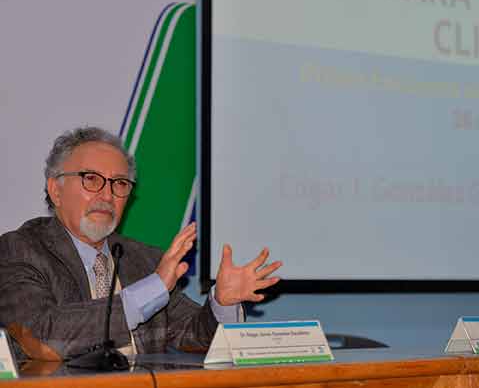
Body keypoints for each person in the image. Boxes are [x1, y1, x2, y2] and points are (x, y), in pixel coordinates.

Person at [0, 127, 282, 360]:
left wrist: (223, 302)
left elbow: (194, 336)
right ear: (56, 190)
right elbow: (41, 339)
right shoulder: (20, 250)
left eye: (119, 184)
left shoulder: (142, 259)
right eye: (92, 179)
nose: (108, 195)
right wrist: (152, 290)